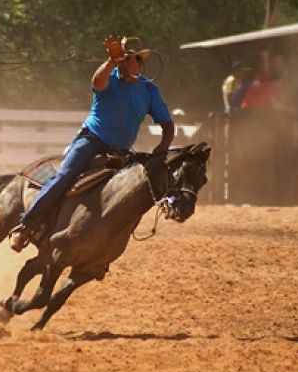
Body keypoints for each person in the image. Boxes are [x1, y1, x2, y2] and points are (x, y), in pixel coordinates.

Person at [9, 35, 175, 252]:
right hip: (91, 140)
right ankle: (25, 225)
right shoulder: (111, 78)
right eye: (122, 59)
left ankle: (107, 246)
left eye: (129, 59)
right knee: (65, 177)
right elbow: (97, 81)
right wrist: (110, 62)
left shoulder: (149, 90)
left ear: (138, 62)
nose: (125, 63)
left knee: (130, 191)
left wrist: (163, 147)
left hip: (121, 150)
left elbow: (167, 123)